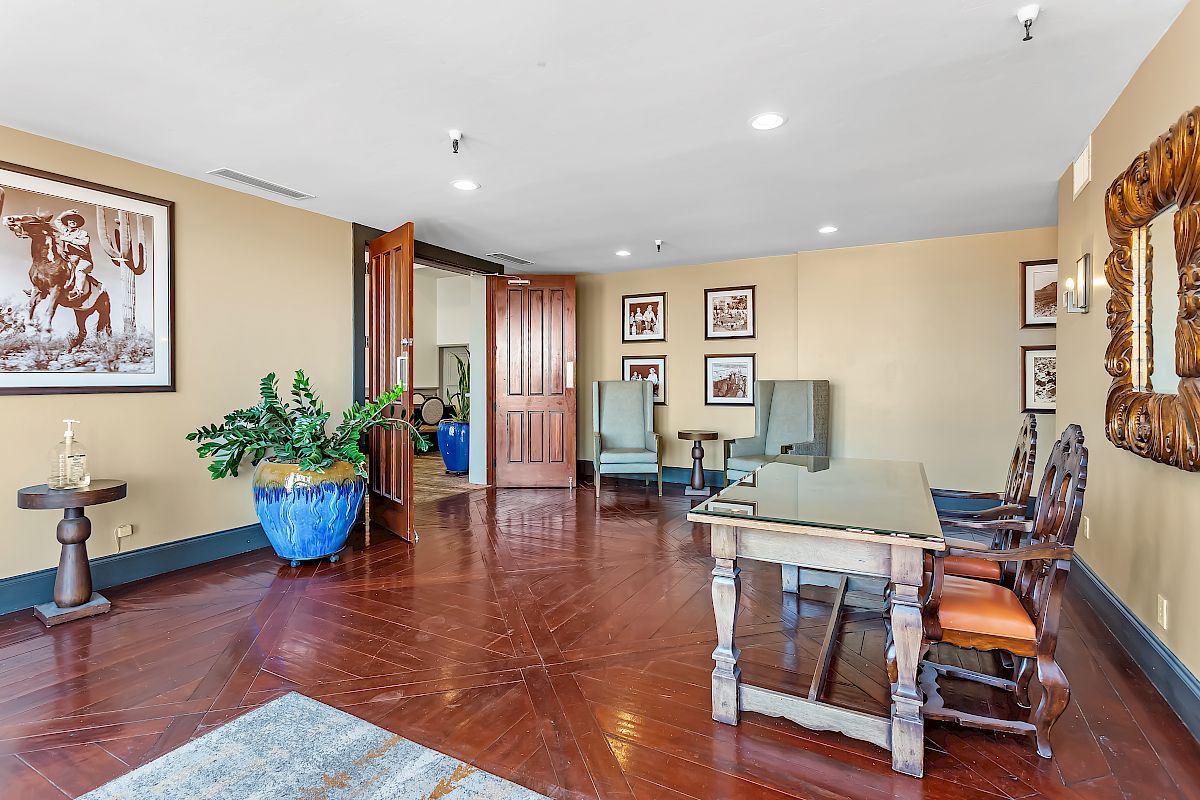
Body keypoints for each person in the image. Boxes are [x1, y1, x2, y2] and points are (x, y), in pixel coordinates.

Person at [54, 210, 94, 299]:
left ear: (78, 223)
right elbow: (57, 221)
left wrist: (67, 239)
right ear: (67, 222)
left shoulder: (82, 233)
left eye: (75, 220)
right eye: (70, 219)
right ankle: (41, 286)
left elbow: (84, 242)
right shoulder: (65, 231)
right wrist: (66, 212)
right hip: (69, 259)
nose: (72, 221)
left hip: (83, 260)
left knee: (79, 270)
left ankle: (78, 292)